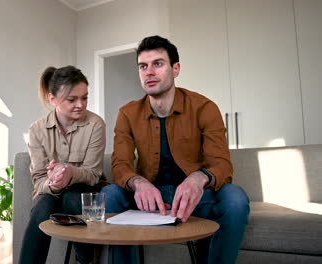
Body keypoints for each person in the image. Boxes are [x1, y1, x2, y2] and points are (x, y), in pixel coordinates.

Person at [101, 35, 250, 264]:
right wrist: (138, 183)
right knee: (109, 194)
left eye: (158, 64)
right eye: (143, 66)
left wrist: (197, 179)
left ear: (176, 68)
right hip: (149, 201)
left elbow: (222, 164)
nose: (149, 72)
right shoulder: (127, 114)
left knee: (235, 198)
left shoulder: (205, 107)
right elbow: (120, 165)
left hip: (196, 199)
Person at [19, 65, 106, 264]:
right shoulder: (37, 130)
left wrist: (69, 172)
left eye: (84, 98)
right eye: (72, 99)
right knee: (43, 205)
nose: (81, 105)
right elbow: (39, 181)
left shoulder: (96, 125)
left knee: (72, 199)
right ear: (53, 99)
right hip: (50, 192)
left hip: (83, 190)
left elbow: (93, 174)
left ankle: (86, 261)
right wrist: (53, 184)